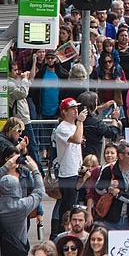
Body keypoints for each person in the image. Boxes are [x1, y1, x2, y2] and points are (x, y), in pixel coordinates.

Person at [0, 152, 44, 256]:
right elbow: (39, 191)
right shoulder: (22, 205)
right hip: (17, 253)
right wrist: (35, 170)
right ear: (17, 188)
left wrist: (4, 168)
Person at [52, 98, 88, 238]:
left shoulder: (73, 126)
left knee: (74, 204)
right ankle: (62, 232)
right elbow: (77, 139)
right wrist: (80, 121)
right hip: (67, 173)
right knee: (67, 206)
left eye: (76, 108)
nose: (76, 111)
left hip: (76, 170)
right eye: (72, 109)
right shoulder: (62, 128)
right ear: (64, 111)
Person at [94, 140, 129, 230]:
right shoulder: (108, 169)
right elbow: (97, 188)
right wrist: (108, 187)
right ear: (121, 156)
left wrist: (119, 194)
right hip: (110, 219)